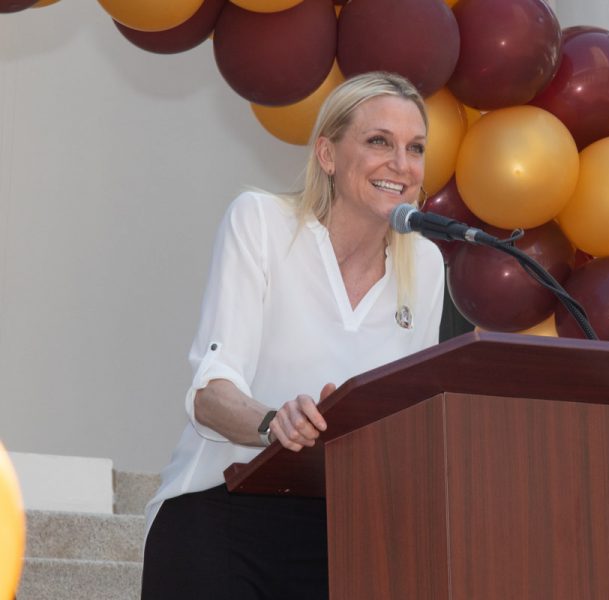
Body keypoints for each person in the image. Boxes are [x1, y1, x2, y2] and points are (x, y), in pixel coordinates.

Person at [141, 72, 445, 600]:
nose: (402, 164)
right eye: (379, 141)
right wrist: (273, 423)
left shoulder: (426, 262)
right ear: (327, 154)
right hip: (222, 507)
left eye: (415, 148)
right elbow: (211, 393)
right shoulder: (261, 222)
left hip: (347, 527)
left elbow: (409, 420)